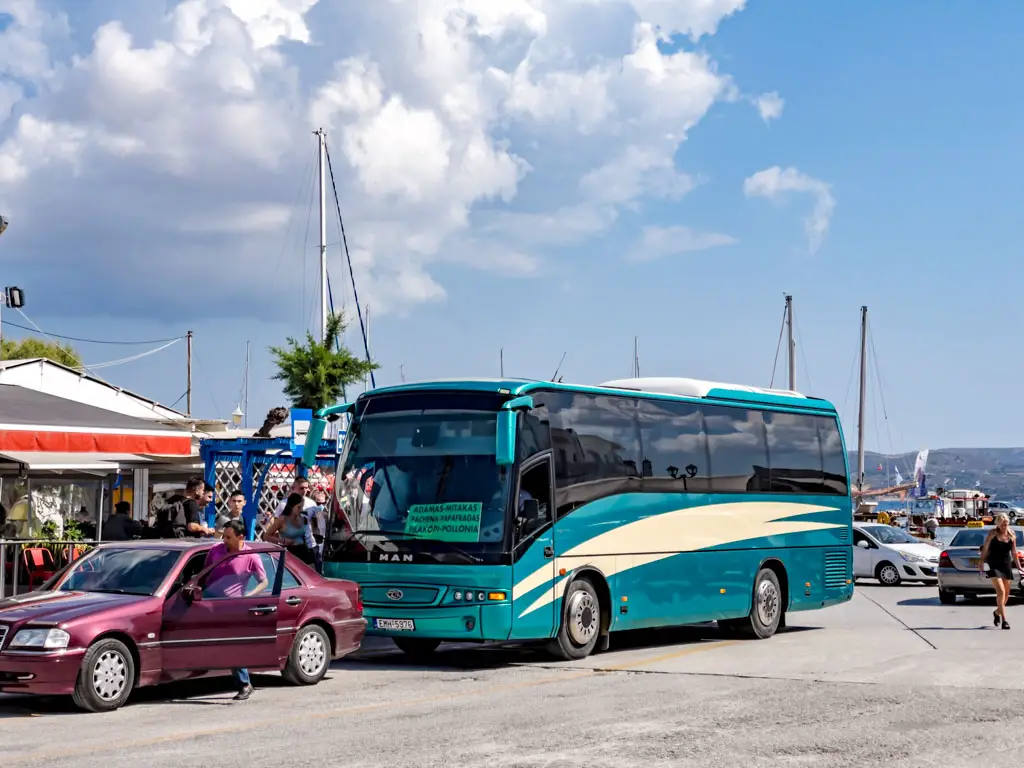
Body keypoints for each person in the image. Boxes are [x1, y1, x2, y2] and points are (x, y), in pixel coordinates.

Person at [202, 520, 268, 701]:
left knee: (231, 645)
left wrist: (248, 596)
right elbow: (204, 572)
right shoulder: (216, 550)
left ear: (241, 537)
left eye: (229, 537)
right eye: (224, 536)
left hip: (231, 607)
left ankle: (244, 684)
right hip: (207, 603)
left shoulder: (251, 556)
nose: (224, 540)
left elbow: (264, 582)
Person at [980, 513, 1018, 629]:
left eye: (1006, 525)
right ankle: (1004, 621)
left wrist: (1019, 566)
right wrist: (981, 561)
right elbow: (986, 547)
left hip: (1006, 565)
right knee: (1000, 591)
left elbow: (1014, 552)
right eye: (1002, 525)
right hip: (993, 565)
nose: (1004, 527)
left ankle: (997, 612)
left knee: (1006, 595)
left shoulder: (1011, 533)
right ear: (998, 524)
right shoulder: (993, 533)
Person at [263, 493, 317, 565]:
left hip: (304, 552)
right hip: (289, 553)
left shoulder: (304, 518)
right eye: (299, 507)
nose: (301, 509)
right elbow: (266, 536)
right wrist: (282, 540)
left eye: (302, 507)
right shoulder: (282, 519)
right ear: (292, 506)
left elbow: (307, 535)